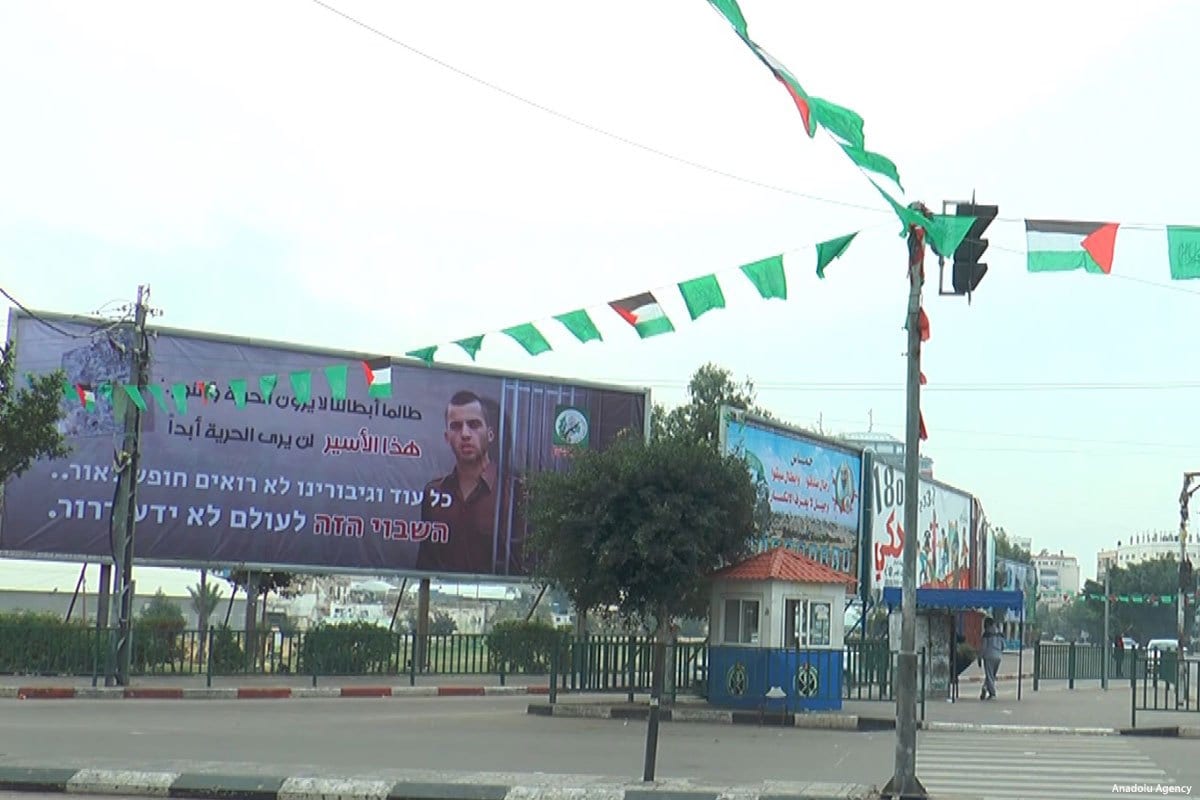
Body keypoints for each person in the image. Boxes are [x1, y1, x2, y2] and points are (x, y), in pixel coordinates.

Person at [416, 390, 507, 576]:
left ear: (490, 435)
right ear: (447, 436)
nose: (465, 434)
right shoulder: (434, 494)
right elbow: (425, 565)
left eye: (474, 425)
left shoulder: (514, 493)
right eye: (456, 427)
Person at [979, 617, 1004, 700]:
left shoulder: (986, 634)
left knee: (989, 675)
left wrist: (980, 657)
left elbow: (983, 647)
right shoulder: (1000, 633)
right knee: (991, 675)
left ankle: (992, 693)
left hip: (989, 655)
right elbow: (1003, 645)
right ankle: (985, 687)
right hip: (998, 656)